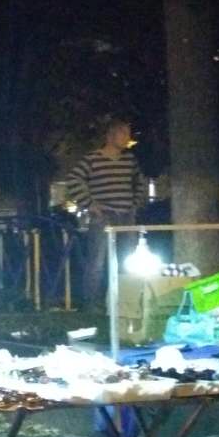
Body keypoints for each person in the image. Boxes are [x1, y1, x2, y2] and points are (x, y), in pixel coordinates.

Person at [67, 117, 144, 306]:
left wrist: (135, 203)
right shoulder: (93, 159)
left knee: (128, 258)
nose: (127, 138)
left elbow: (140, 182)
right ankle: (91, 301)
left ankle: (125, 300)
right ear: (111, 136)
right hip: (104, 216)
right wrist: (90, 204)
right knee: (97, 260)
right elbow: (73, 179)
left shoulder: (130, 160)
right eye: (123, 134)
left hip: (126, 214)